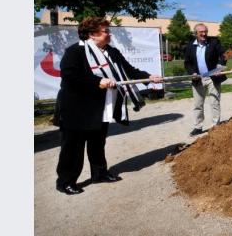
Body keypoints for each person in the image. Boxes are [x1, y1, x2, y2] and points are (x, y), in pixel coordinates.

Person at [52, 17, 163, 195]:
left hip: (100, 107)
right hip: (76, 109)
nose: (109, 34)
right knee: (73, 147)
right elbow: (70, 76)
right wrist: (97, 81)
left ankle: (99, 173)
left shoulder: (112, 52)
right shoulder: (75, 51)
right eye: (105, 31)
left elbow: (128, 70)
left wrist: (149, 77)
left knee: (97, 142)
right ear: (92, 34)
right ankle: (66, 182)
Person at [184, 23, 227, 136]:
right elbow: (187, 63)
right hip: (198, 79)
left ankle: (215, 125)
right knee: (198, 104)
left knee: (214, 102)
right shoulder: (190, 46)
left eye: (205, 32)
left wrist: (219, 66)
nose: (204, 34)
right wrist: (192, 72)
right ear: (195, 34)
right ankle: (198, 127)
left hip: (213, 78)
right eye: (201, 32)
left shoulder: (214, 42)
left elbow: (225, 54)